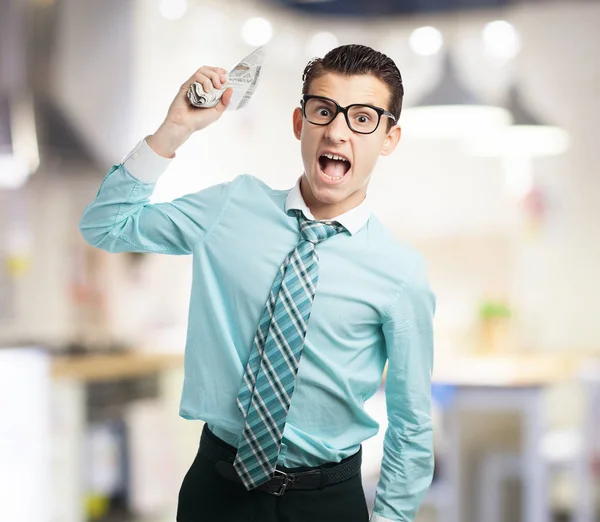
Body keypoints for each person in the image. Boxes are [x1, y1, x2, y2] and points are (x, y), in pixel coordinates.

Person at [79, 44, 436, 522]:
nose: (337, 131)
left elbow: (411, 426)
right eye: (323, 111)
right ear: (299, 122)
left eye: (363, 118)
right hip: (216, 492)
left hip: (327, 503)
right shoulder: (231, 208)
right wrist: (176, 129)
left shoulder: (401, 272)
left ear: (389, 138)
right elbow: (105, 225)